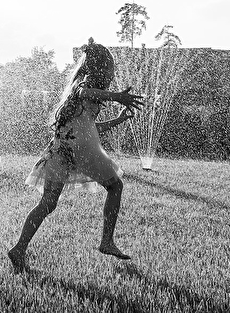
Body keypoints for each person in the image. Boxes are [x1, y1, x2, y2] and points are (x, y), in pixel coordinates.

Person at [8, 38, 144, 273]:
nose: (112, 72)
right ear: (101, 68)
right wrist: (116, 96)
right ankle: (107, 241)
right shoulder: (84, 86)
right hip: (81, 150)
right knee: (115, 186)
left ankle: (19, 248)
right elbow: (84, 92)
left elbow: (88, 127)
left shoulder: (79, 92)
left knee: (48, 203)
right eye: (110, 67)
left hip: (61, 149)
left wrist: (118, 119)